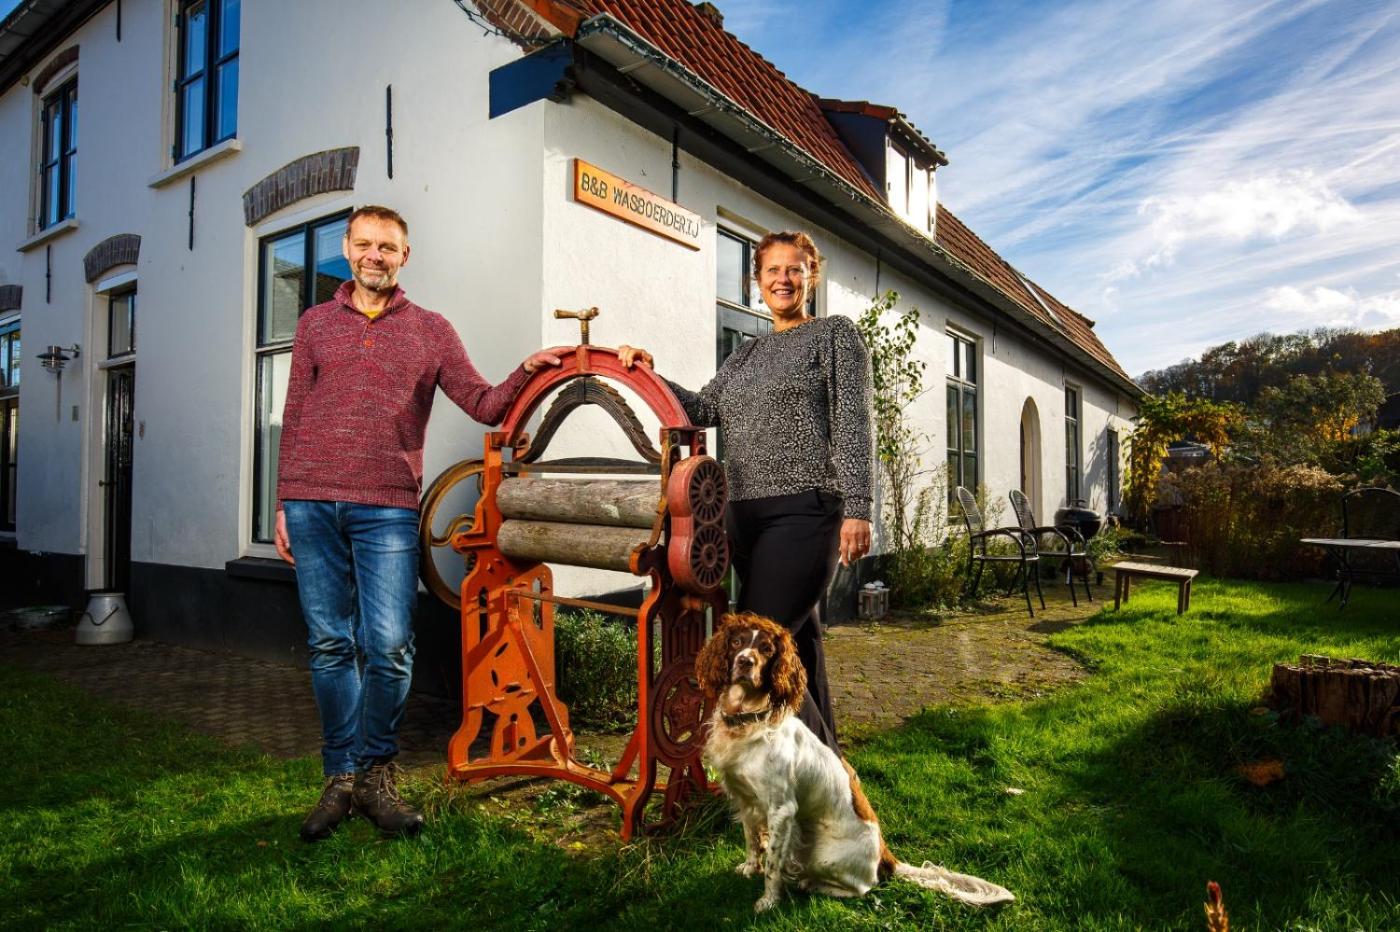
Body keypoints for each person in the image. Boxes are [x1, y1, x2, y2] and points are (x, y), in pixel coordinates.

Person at [275, 205, 565, 841]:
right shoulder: (314, 324)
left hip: (387, 506)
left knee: (389, 645)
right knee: (329, 644)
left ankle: (375, 771)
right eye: (364, 244)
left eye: (387, 247)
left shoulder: (431, 331)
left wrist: (529, 370)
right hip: (310, 501)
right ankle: (340, 777)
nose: (374, 256)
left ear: (404, 256)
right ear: (347, 249)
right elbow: (294, 415)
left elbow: (484, 402)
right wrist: (282, 502)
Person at [618, 230, 873, 752]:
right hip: (744, 517)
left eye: (795, 269)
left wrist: (859, 508)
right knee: (798, 645)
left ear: (811, 277)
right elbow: (701, 408)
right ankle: (822, 765)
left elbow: (853, 423)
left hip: (804, 513)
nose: (784, 279)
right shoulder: (745, 355)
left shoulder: (834, 335)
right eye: (773, 270)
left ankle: (829, 779)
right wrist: (647, 373)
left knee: (756, 644)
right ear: (757, 281)